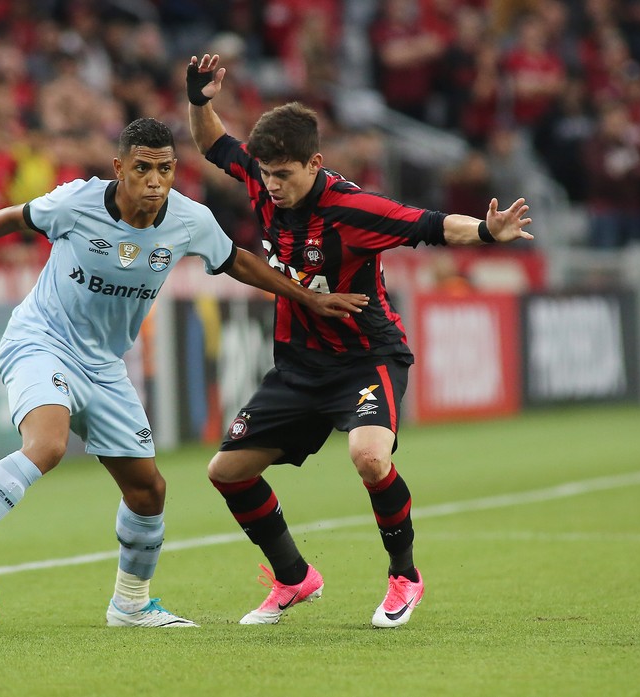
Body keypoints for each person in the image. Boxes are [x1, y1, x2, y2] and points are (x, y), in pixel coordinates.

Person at [0, 117, 366, 628]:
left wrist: (308, 297)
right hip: (43, 340)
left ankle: (130, 605)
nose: (155, 180)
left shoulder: (189, 219)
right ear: (119, 167)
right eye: (143, 168)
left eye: (165, 169)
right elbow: (16, 217)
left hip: (104, 365)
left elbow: (235, 260)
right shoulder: (77, 202)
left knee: (148, 491)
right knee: (48, 445)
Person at [186, 53, 534, 627]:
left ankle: (405, 577)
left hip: (366, 359)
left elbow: (429, 224)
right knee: (226, 471)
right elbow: (212, 143)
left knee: (369, 456)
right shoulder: (261, 177)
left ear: (315, 163)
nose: (272, 185)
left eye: (284, 175)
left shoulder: (353, 209)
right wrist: (199, 102)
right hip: (299, 366)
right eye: (266, 174)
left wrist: (486, 231)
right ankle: (294, 577)